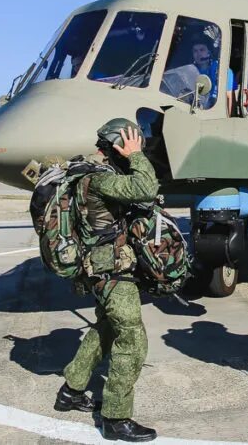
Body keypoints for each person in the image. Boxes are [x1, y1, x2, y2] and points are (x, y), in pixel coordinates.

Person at [57, 118, 160, 442]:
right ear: (119, 146)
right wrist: (136, 157)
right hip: (111, 270)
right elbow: (146, 188)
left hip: (98, 267)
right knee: (132, 339)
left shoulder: (93, 176)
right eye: (130, 144)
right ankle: (116, 417)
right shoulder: (100, 180)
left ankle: (70, 391)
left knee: (105, 328)